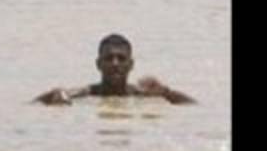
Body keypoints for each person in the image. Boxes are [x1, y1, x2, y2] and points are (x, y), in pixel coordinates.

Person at [34, 33, 196, 105]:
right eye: (109, 58)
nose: (115, 63)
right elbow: (34, 104)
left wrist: (166, 92)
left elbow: (193, 106)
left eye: (121, 58)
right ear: (98, 64)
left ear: (131, 65)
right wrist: (53, 95)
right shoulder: (87, 93)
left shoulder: (141, 94)